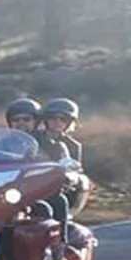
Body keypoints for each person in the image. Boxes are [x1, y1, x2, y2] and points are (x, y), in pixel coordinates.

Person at [36, 97, 87, 226]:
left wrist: (70, 173)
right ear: (45, 120)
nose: (57, 122)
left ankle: (61, 235)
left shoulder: (73, 145)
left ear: (70, 123)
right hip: (32, 182)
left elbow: (74, 169)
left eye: (63, 119)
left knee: (61, 200)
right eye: (52, 118)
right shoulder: (34, 138)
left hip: (59, 186)